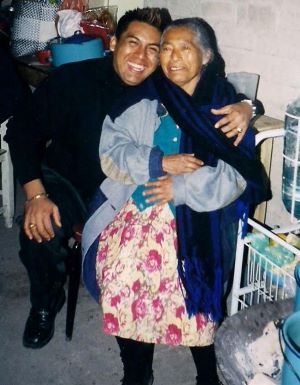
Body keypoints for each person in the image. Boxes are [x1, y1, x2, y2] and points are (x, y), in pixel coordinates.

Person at [5, 7, 258, 350]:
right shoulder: (72, 79)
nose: (142, 56)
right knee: (40, 233)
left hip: (123, 189)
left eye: (155, 48)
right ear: (112, 42)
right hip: (70, 183)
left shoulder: (159, 86)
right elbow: (21, 131)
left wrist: (248, 106)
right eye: (133, 43)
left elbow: (213, 74)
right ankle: (45, 302)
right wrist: (35, 193)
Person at [82, 17, 270, 385]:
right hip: (137, 207)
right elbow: (112, 149)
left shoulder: (227, 108)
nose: (173, 57)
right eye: (166, 48)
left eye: (185, 48)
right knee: (121, 276)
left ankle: (206, 374)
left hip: (198, 214)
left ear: (206, 55)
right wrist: (157, 163)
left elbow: (234, 176)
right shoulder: (144, 97)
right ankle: (136, 372)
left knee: (192, 287)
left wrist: (180, 189)